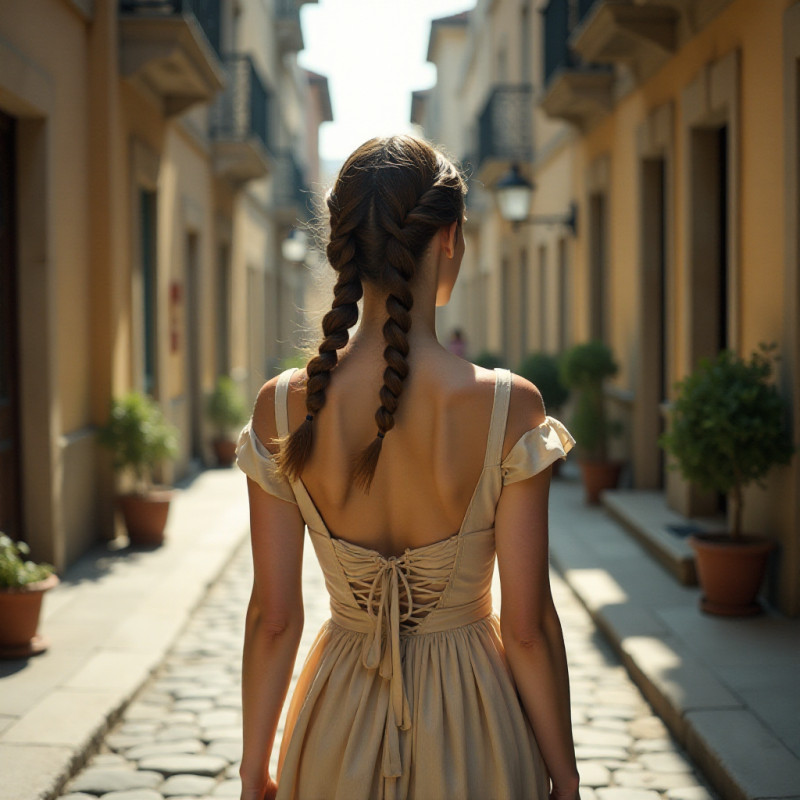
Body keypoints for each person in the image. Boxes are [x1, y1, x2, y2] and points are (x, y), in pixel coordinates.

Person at [236, 135, 580, 800]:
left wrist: (254, 769)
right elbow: (530, 627)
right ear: (448, 237)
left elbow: (273, 618)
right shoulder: (510, 405)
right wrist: (564, 776)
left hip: (335, 720)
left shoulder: (280, 407)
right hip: (478, 724)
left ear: (342, 242)